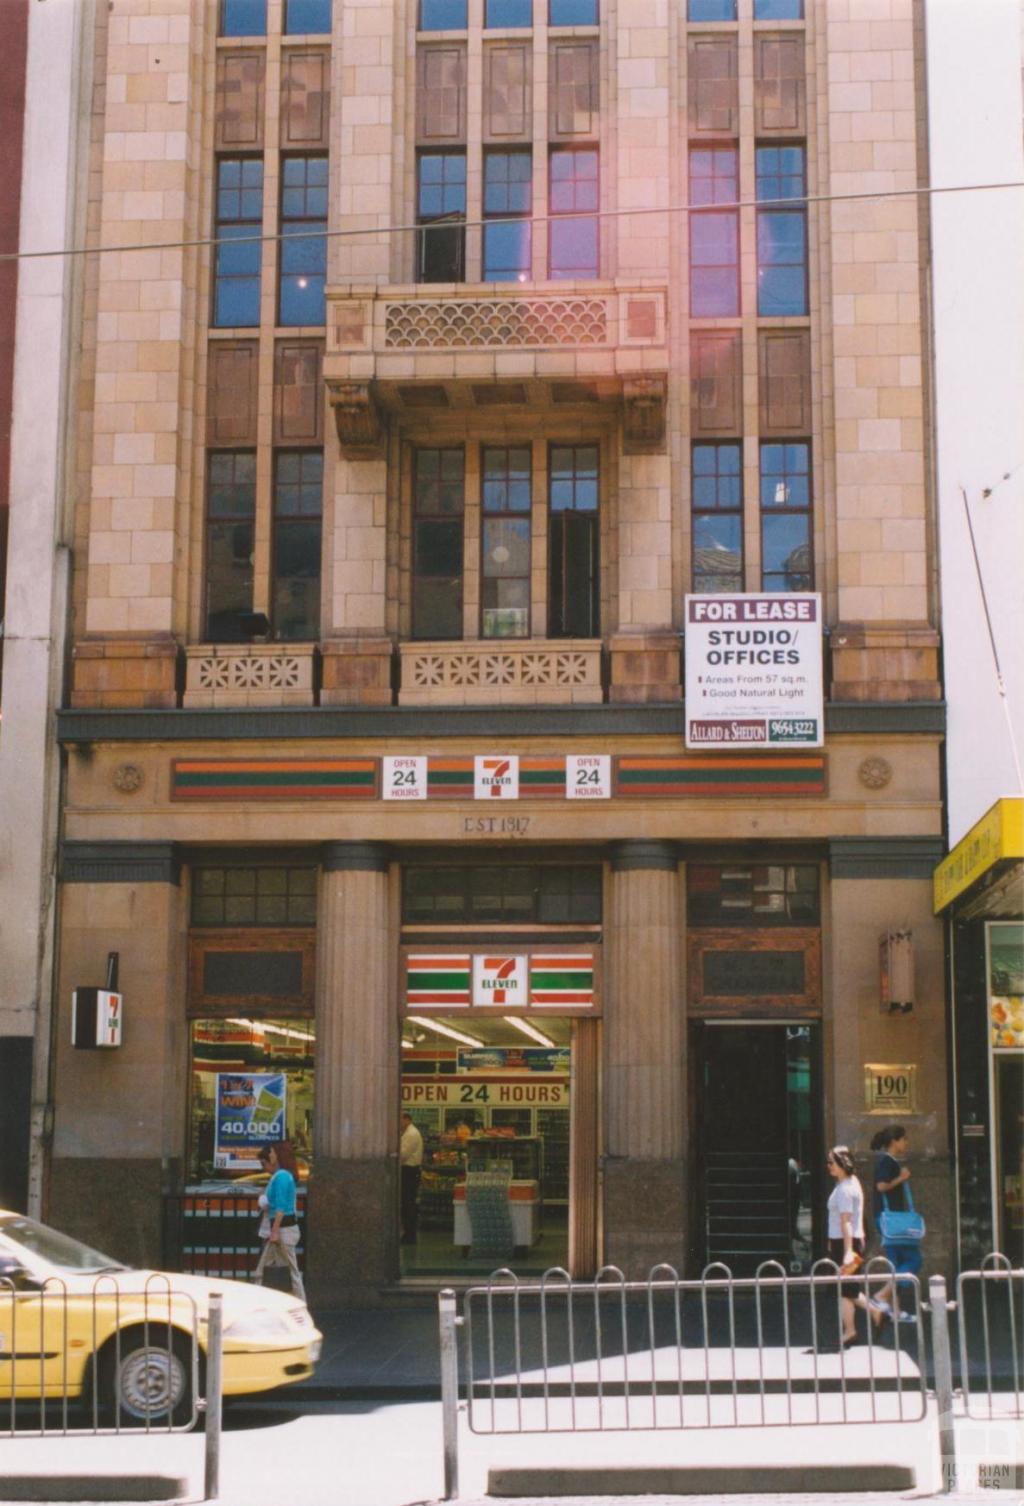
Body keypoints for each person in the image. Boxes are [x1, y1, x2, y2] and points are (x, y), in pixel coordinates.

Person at [825, 1144, 883, 1347]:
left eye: (832, 1162)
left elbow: (846, 1221)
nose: (828, 1166)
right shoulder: (850, 1183)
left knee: (847, 1288)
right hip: (846, 1241)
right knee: (845, 1288)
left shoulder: (845, 1189)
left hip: (845, 1244)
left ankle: (875, 1311)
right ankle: (850, 1330)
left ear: (842, 1163)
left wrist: (848, 1251)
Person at [870, 1123, 920, 1323]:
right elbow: (881, 1186)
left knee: (898, 1262)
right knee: (914, 1260)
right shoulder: (887, 1162)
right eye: (903, 1139)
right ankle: (881, 1295)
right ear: (894, 1142)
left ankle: (896, 1311)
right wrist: (902, 1177)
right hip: (891, 1220)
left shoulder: (888, 1161)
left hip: (889, 1219)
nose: (906, 1142)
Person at [253, 1141, 306, 1303]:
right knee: (286, 1271)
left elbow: (280, 1207)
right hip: (283, 1229)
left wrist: (274, 1231)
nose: (264, 1166)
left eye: (265, 1162)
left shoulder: (281, 1177)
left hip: (281, 1230)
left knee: (287, 1271)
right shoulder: (283, 1176)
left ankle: (298, 1303)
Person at [400, 1112, 424, 1246]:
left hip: (409, 1171)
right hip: (409, 1171)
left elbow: (403, 1154)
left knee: (408, 1202)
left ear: (407, 1119)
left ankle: (410, 1235)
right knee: (407, 1202)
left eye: (400, 1119)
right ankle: (408, 1233)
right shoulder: (408, 1132)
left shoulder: (411, 1134)